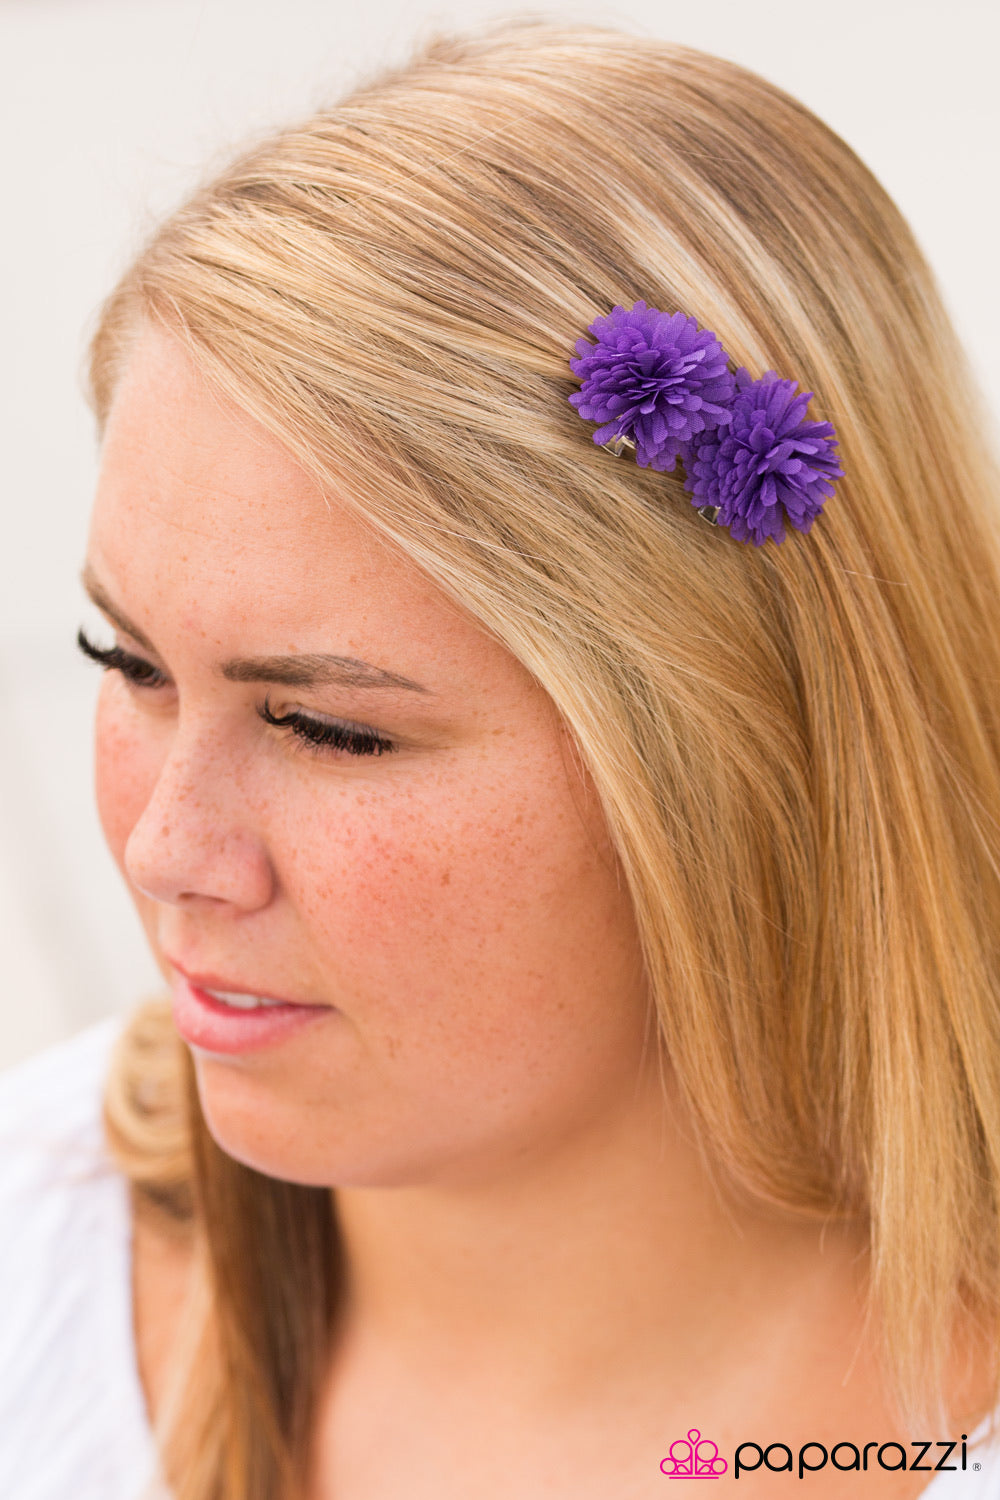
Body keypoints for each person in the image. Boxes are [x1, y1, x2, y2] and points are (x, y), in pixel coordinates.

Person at [2, 18, 1000, 1500]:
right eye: (129, 665)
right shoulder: (38, 1245)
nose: (164, 850)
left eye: (330, 727)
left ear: (745, 763)